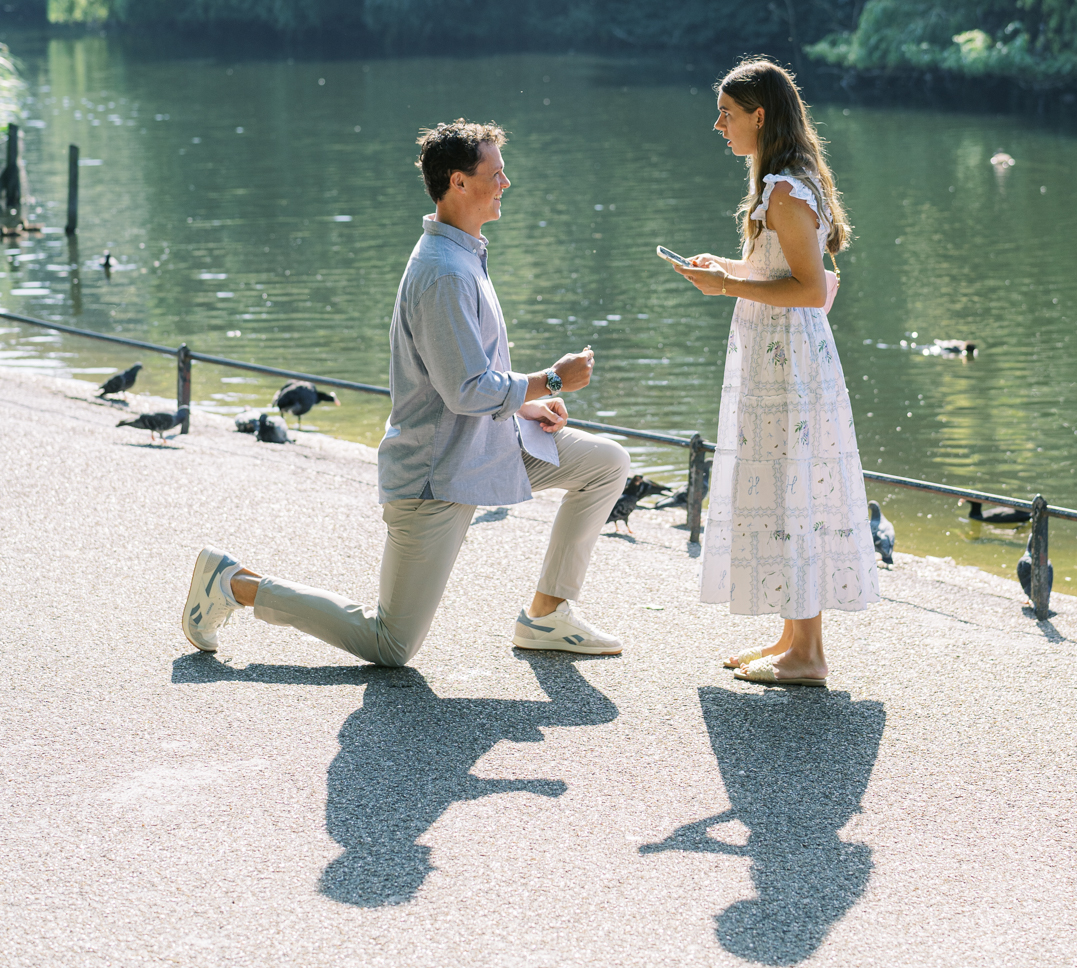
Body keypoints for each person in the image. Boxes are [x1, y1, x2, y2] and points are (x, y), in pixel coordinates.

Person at [182, 119, 630, 665]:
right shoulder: (445, 271)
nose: (506, 183)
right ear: (458, 183)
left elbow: (463, 376)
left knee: (606, 462)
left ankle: (547, 614)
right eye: (496, 173)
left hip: (485, 448)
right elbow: (467, 389)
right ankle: (232, 584)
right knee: (390, 644)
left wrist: (525, 403)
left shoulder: (466, 254)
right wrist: (551, 380)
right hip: (435, 476)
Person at [670, 59, 879, 685]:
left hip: (788, 363)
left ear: (760, 116)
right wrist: (728, 266)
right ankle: (793, 638)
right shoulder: (781, 183)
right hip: (779, 355)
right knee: (790, 487)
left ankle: (808, 655)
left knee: (794, 488)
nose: (719, 125)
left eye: (728, 115)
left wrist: (727, 282)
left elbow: (811, 290)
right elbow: (781, 268)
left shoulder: (786, 190)